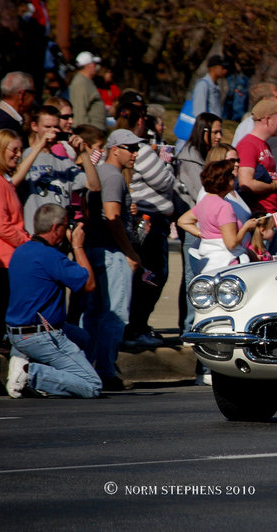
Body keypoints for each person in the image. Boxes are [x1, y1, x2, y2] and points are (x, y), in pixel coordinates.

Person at [4, 204, 102, 398]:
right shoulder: (51, 257)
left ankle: (47, 376)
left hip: (17, 333)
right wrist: (77, 245)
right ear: (56, 228)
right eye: (66, 226)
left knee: (83, 338)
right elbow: (89, 284)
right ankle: (29, 374)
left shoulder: (21, 251)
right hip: (42, 336)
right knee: (92, 386)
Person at [82, 129, 145, 391]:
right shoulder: (113, 175)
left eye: (136, 148)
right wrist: (130, 252)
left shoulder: (102, 173)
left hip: (94, 249)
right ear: (115, 149)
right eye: (130, 148)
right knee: (115, 313)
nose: (135, 153)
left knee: (95, 313)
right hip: (111, 253)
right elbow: (112, 216)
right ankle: (106, 370)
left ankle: (89, 367)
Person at [114, 103, 176, 349]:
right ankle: (135, 327)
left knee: (149, 275)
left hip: (147, 219)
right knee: (152, 276)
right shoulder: (141, 149)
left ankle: (138, 325)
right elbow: (166, 180)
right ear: (141, 121)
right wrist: (167, 163)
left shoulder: (133, 148)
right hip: (148, 222)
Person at [0, 129, 32, 395]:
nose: (18, 154)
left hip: (7, 260)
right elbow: (0, 225)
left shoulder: (3, 180)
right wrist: (28, 244)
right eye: (12, 149)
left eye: (19, 149)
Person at [174, 112, 222, 335]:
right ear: (203, 132)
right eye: (215, 132)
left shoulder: (205, 155)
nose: (219, 136)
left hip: (208, 226)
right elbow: (201, 192)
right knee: (193, 279)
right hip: (195, 227)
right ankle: (189, 326)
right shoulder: (190, 158)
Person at [20, 105, 101, 234]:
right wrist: (40, 145)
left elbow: (94, 186)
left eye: (56, 127)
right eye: (47, 127)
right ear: (34, 126)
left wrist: (83, 153)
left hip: (61, 237)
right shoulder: (23, 156)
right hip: (34, 235)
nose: (53, 131)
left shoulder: (64, 162)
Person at [177, 160, 259, 273]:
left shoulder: (205, 201)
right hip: (227, 263)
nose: (234, 178)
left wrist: (204, 234)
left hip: (208, 262)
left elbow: (183, 221)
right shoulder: (224, 206)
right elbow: (231, 244)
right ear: (225, 181)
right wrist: (246, 227)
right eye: (231, 176)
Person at [237, 99, 277, 214]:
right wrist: (276, 186)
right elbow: (245, 183)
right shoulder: (248, 144)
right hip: (261, 216)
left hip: (273, 211)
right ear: (267, 119)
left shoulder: (264, 144)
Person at [0, 72, 35, 147]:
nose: (33, 99)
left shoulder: (1, 119)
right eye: (33, 93)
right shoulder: (3, 123)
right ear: (22, 95)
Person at [68, 51, 107, 131]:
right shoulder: (81, 83)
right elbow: (79, 111)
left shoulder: (87, 81)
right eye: (94, 64)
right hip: (91, 133)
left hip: (96, 131)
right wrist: (85, 134)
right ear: (89, 65)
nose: (96, 67)